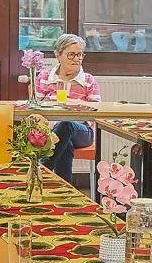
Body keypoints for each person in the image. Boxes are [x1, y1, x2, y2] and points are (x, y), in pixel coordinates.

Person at [35, 33, 102, 183]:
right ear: (58, 55)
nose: (77, 59)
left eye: (80, 55)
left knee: (66, 125)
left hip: (82, 132)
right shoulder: (45, 77)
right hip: (50, 131)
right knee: (65, 143)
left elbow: (95, 113)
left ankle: (44, 168)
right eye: (71, 55)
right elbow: (36, 109)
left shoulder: (89, 80)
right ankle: (65, 188)